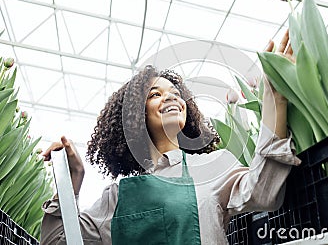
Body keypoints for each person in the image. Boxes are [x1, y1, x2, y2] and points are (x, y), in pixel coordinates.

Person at [40, 30, 300, 245]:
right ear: (135, 119)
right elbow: (55, 243)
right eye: (155, 94)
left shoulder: (214, 168)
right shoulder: (116, 198)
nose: (171, 97)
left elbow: (265, 192)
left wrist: (274, 97)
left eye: (176, 93)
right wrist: (72, 181)